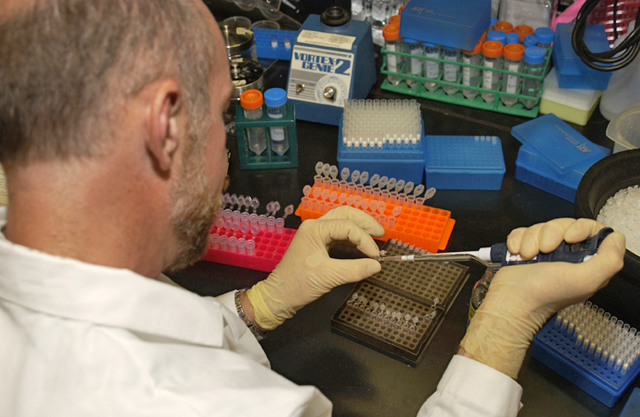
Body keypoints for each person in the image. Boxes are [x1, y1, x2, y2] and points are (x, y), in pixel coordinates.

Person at [0, 1, 626, 416]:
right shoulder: (213, 403)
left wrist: (260, 305)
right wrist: (503, 325)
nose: (227, 144)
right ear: (164, 125)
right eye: (223, 114)